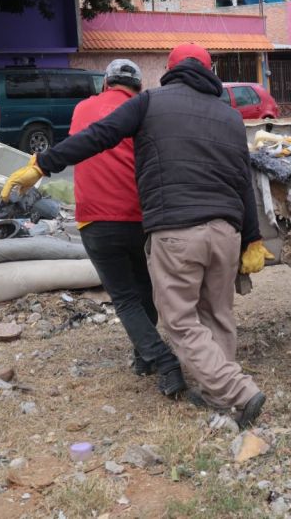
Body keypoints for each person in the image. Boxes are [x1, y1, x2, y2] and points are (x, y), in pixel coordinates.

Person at [1, 43, 269, 428]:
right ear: (210, 71)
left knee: (178, 320)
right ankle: (218, 392)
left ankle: (238, 391)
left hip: (177, 231)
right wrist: (253, 238)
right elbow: (244, 181)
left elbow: (98, 136)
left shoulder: (151, 104)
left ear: (169, 69)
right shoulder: (229, 117)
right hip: (226, 232)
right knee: (218, 314)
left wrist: (43, 164)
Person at [69, 59, 184, 398]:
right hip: (141, 217)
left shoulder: (82, 108)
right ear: (136, 87)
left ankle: (162, 360)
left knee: (124, 298)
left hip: (95, 219)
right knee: (143, 287)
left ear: (105, 83)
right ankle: (143, 356)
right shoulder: (143, 109)